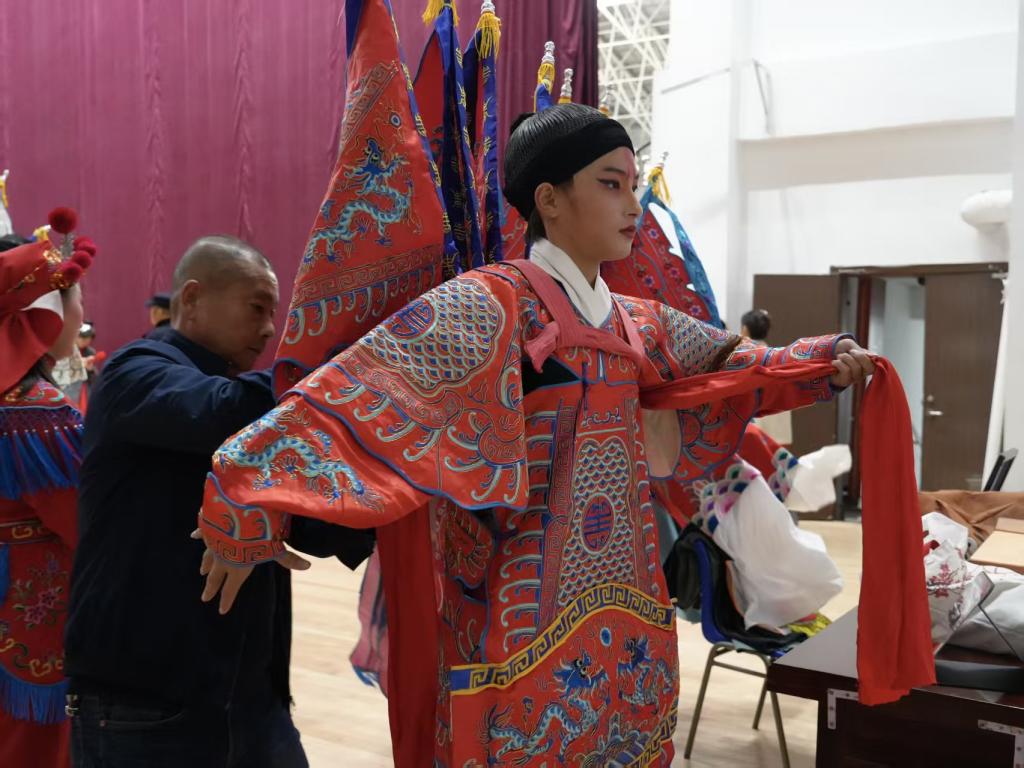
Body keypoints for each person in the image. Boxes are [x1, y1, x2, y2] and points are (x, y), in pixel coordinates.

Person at [196, 105, 873, 766]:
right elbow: (357, 394)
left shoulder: (637, 322)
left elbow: (734, 364)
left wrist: (820, 360)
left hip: (631, 616)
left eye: (633, 185)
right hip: (517, 622)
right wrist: (245, 496)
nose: (632, 205)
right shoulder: (489, 303)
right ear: (549, 199)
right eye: (611, 184)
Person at [64, 235, 373, 768]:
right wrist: (358, 369)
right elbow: (223, 413)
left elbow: (314, 524)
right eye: (257, 307)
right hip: (144, 705)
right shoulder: (134, 373)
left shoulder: (257, 416)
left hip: (252, 700)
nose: (270, 329)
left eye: (273, 313)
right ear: (192, 297)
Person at [0, 208, 97, 768]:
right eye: (76, 300)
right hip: (26, 613)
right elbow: (90, 525)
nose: (81, 315)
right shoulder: (34, 413)